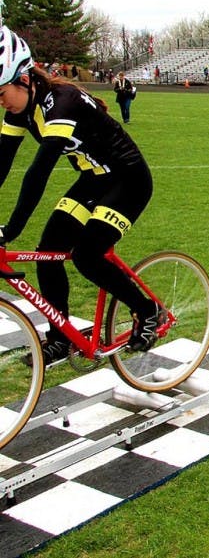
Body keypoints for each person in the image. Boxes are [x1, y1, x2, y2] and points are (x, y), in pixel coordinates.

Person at [0, 26, 164, 366]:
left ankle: (148, 311)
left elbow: (39, 172)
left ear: (25, 80)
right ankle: (60, 338)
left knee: (88, 255)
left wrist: (9, 230)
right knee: (47, 253)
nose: (0, 101)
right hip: (93, 180)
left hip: (128, 179)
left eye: (1, 92)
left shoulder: (62, 103)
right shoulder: (19, 110)